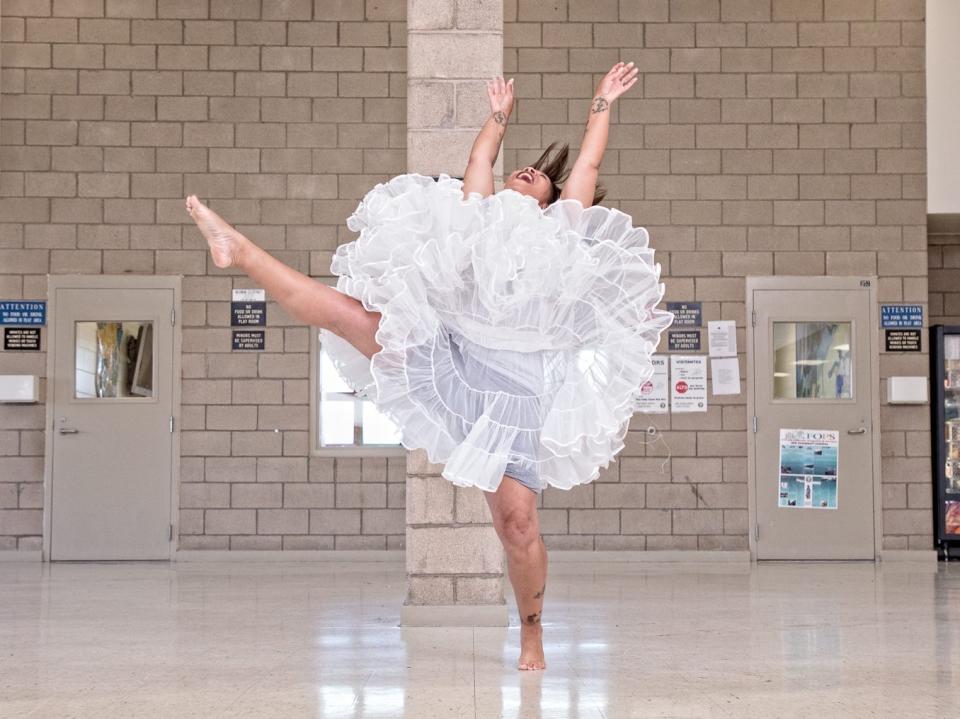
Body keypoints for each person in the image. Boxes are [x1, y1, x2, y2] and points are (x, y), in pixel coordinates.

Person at [185, 60, 672, 671]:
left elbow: (590, 166)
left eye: (538, 177)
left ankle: (532, 631)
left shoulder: (564, 230)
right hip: (454, 358)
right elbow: (476, 168)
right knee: (347, 316)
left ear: (552, 197)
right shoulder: (475, 219)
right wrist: (497, 117)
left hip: (516, 395)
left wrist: (603, 101)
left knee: (518, 526)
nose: (527, 174)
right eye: (517, 171)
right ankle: (239, 248)